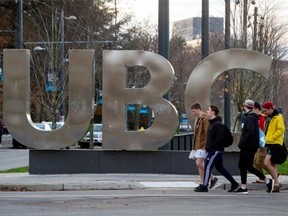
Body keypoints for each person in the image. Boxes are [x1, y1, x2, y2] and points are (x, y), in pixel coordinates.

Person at [194, 105, 239, 192]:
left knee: (207, 166)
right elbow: (211, 138)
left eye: (208, 110)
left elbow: (219, 138)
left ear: (213, 112)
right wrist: (207, 146)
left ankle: (205, 185)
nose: (207, 111)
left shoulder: (217, 124)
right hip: (214, 149)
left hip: (215, 150)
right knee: (220, 168)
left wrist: (209, 147)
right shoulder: (212, 123)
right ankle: (234, 184)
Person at [235, 99, 274, 194]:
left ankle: (267, 181)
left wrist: (243, 142)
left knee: (247, 166)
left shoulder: (250, 118)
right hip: (249, 146)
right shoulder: (252, 117)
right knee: (242, 165)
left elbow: (250, 133)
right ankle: (244, 186)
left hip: (248, 147)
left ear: (245, 106)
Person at [190, 103, 218, 190]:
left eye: (194, 111)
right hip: (198, 145)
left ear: (198, 109)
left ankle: (211, 178)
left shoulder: (205, 118)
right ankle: (203, 182)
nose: (193, 113)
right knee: (199, 164)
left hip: (202, 145)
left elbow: (207, 132)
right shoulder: (198, 119)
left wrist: (206, 145)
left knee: (199, 163)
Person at [262, 101, 285, 192]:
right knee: (272, 163)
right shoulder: (271, 117)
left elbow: (281, 129)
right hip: (270, 142)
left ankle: (276, 182)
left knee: (266, 163)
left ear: (271, 108)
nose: (265, 112)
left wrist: (272, 138)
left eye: (266, 110)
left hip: (275, 143)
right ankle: (276, 184)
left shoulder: (278, 117)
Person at [253, 102, 267, 183]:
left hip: (262, 142)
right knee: (255, 162)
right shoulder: (255, 117)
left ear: (256, 108)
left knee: (259, 161)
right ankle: (262, 177)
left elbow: (261, 130)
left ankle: (273, 173)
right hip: (257, 142)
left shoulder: (262, 118)